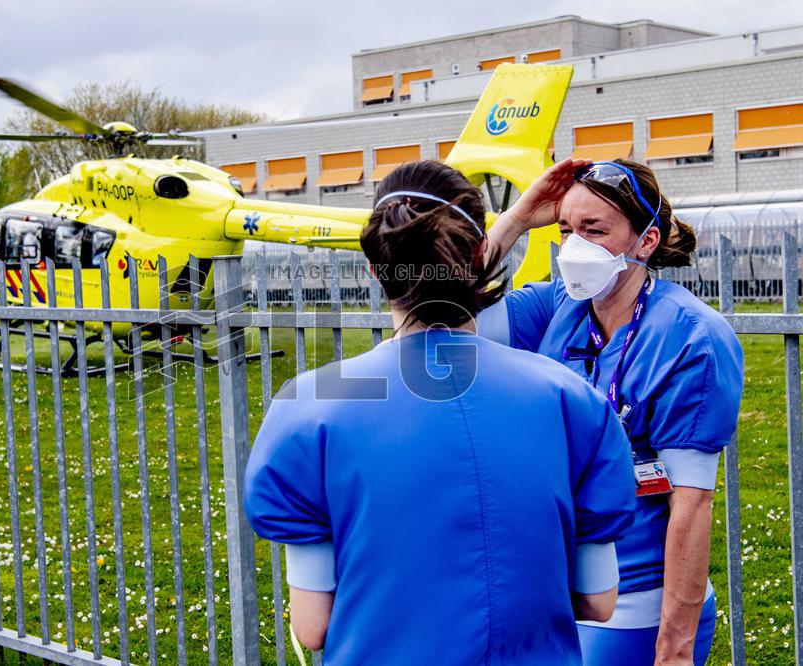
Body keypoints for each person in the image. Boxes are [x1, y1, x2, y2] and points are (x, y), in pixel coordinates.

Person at [243, 160, 637, 664]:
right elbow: (599, 601)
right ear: (479, 254)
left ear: (374, 267)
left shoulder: (309, 403)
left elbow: (312, 626)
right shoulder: (570, 397)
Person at [479, 158, 745, 665]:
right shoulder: (560, 306)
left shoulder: (689, 337)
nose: (573, 246)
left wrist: (674, 649)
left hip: (631, 608)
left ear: (645, 241)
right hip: (551, 594)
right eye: (566, 230)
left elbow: (690, 506)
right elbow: (446, 313)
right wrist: (516, 219)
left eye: (594, 230)